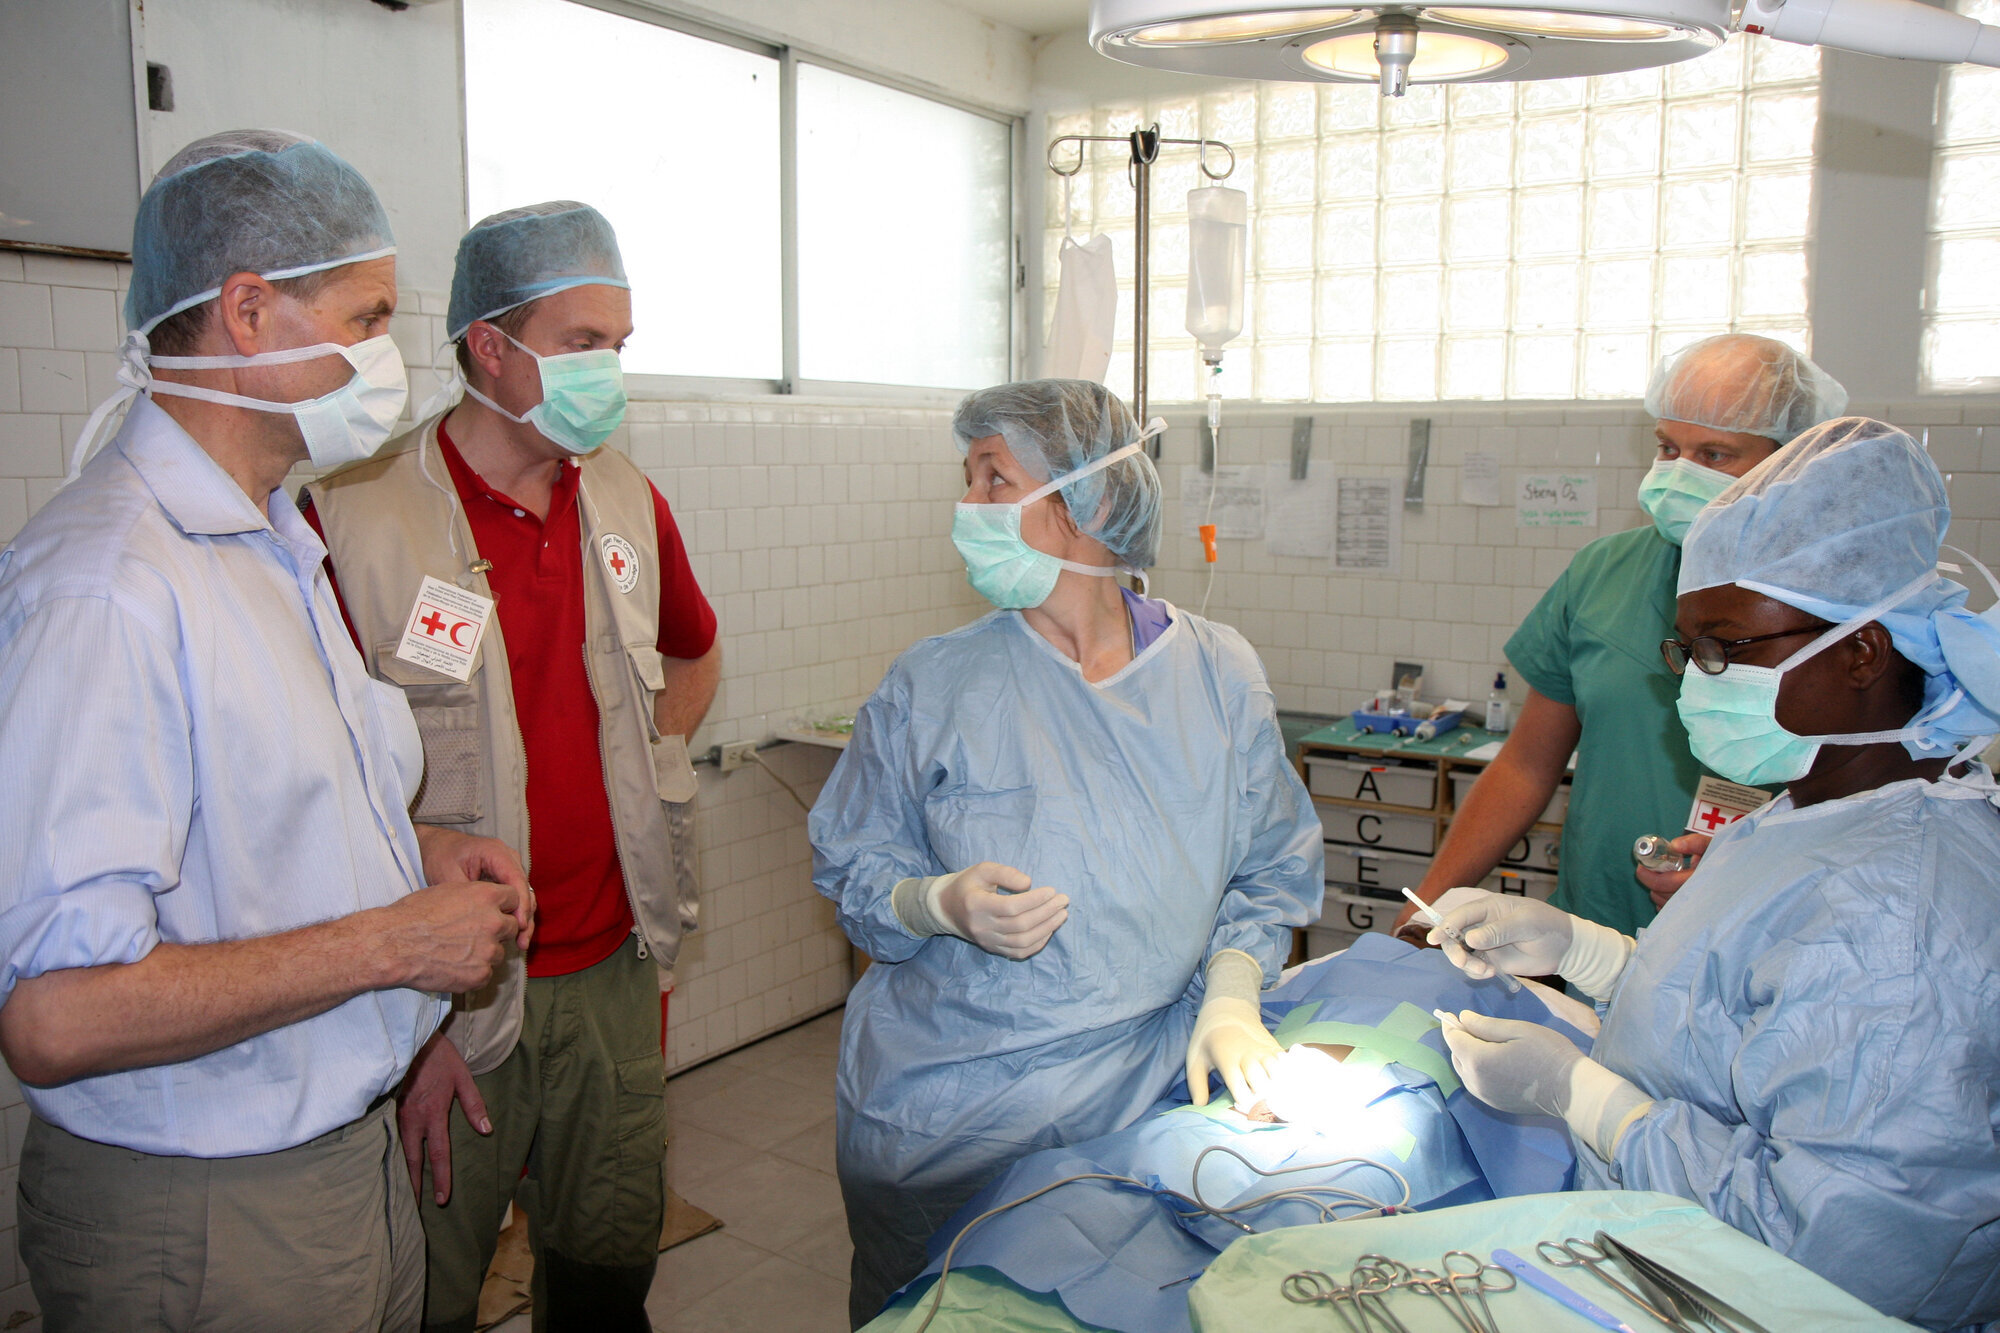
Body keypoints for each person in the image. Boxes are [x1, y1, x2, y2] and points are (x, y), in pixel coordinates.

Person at [0, 130, 532, 1333]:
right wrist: (394, 942)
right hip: (209, 1213)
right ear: (247, 312)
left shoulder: (270, 541)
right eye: (365, 317)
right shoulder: (108, 584)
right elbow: (55, 1014)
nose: (387, 356)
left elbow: (250, 827)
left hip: (336, 1165)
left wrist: (418, 852)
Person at [1431, 417, 2000, 1330]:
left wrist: (1586, 1097)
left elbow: (1838, 1254)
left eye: (1728, 648)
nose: (1699, 680)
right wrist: (1584, 953)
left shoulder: (1899, 916)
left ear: (1860, 651)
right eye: (1690, 649)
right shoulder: (1815, 808)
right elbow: (1751, 1016)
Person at [810, 379, 1324, 1327]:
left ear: (1088, 499)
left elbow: (1270, 868)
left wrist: (1232, 994)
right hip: (949, 1117)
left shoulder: (1219, 676)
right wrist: (934, 902)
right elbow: (852, 869)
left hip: (1145, 1106)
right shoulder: (932, 685)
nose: (968, 506)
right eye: (967, 478)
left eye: (993, 479)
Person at [301, 201, 719, 1333]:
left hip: (614, 968)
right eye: (582, 343)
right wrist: (416, 1026)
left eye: (618, 345)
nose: (608, 372)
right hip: (450, 986)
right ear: (489, 345)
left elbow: (695, 650)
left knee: (606, 1272)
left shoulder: (625, 498)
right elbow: (316, 791)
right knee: (430, 1288)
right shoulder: (354, 515)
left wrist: (646, 766)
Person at [1395, 335, 1847, 939]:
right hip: (1588, 931)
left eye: (1714, 455)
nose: (1680, 475)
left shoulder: (1841, 602)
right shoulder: (1604, 575)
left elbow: (1873, 808)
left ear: (1790, 462)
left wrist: (1745, 870)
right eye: (1668, 448)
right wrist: (1427, 907)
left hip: (1755, 940)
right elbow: (1527, 765)